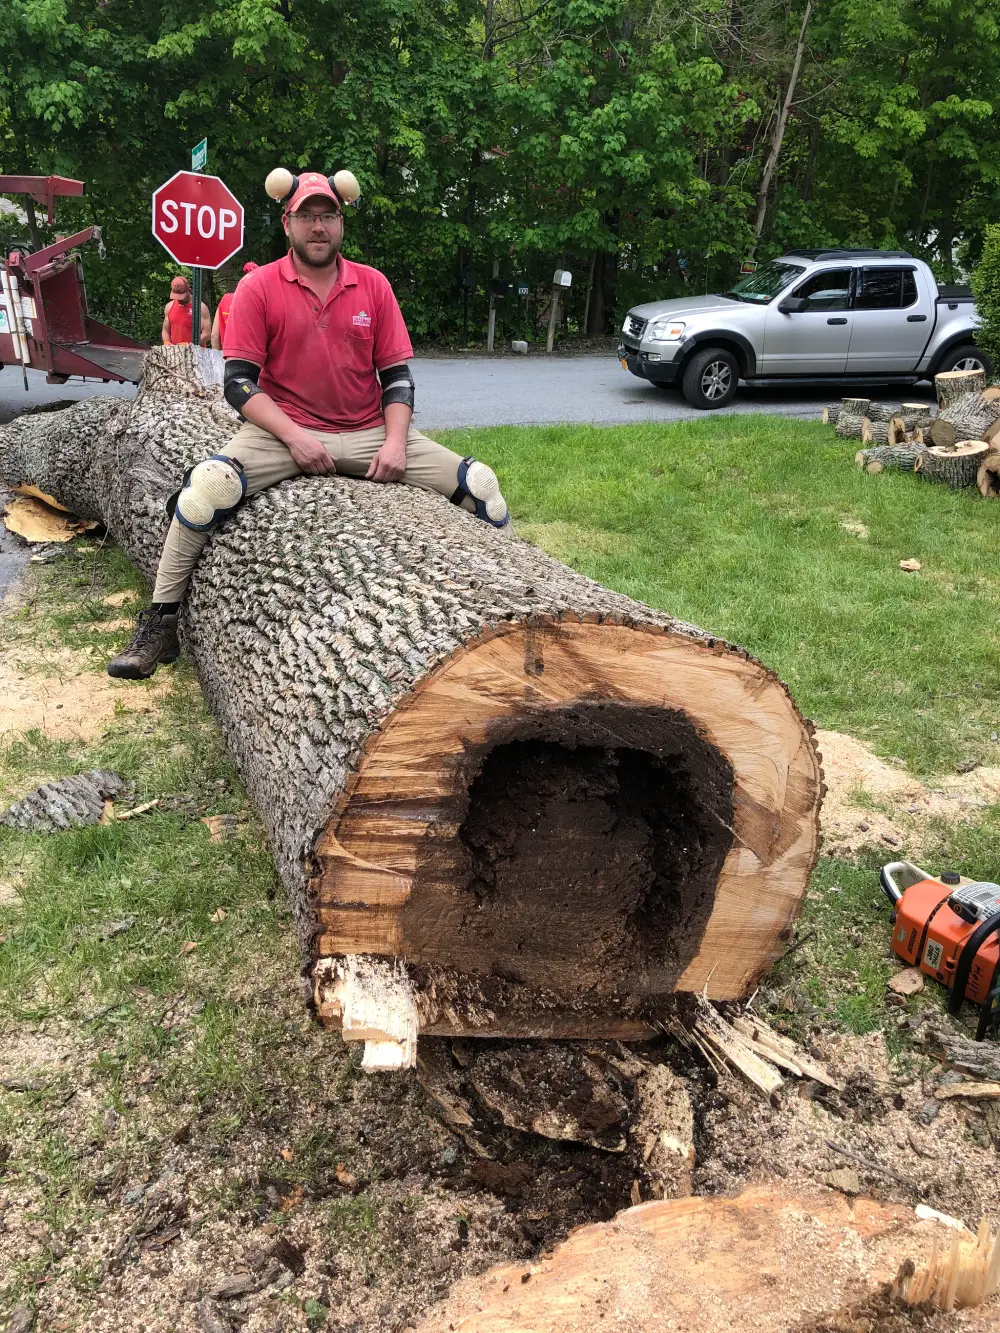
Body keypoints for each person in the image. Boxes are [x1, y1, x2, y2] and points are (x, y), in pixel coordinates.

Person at [109, 169, 510, 680]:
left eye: (328, 216)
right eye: (307, 217)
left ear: (341, 222)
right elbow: (238, 384)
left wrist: (394, 443)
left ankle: (515, 604)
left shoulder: (374, 285)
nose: (317, 227)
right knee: (204, 489)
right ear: (287, 222)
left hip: (367, 429)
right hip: (283, 428)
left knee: (482, 486)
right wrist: (296, 438)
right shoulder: (258, 287)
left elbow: (398, 379)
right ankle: (160, 623)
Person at [211, 261, 259, 351]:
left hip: (227, 356)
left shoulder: (225, 300)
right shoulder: (259, 302)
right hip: (250, 357)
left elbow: (214, 335)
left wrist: (217, 357)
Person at [162, 276, 211, 347]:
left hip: (196, 354)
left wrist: (189, 345)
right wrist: (166, 342)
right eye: (176, 296)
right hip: (175, 353)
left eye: (181, 296)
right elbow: (165, 330)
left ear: (189, 290)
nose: (179, 299)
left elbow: (207, 334)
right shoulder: (169, 306)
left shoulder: (200, 307)